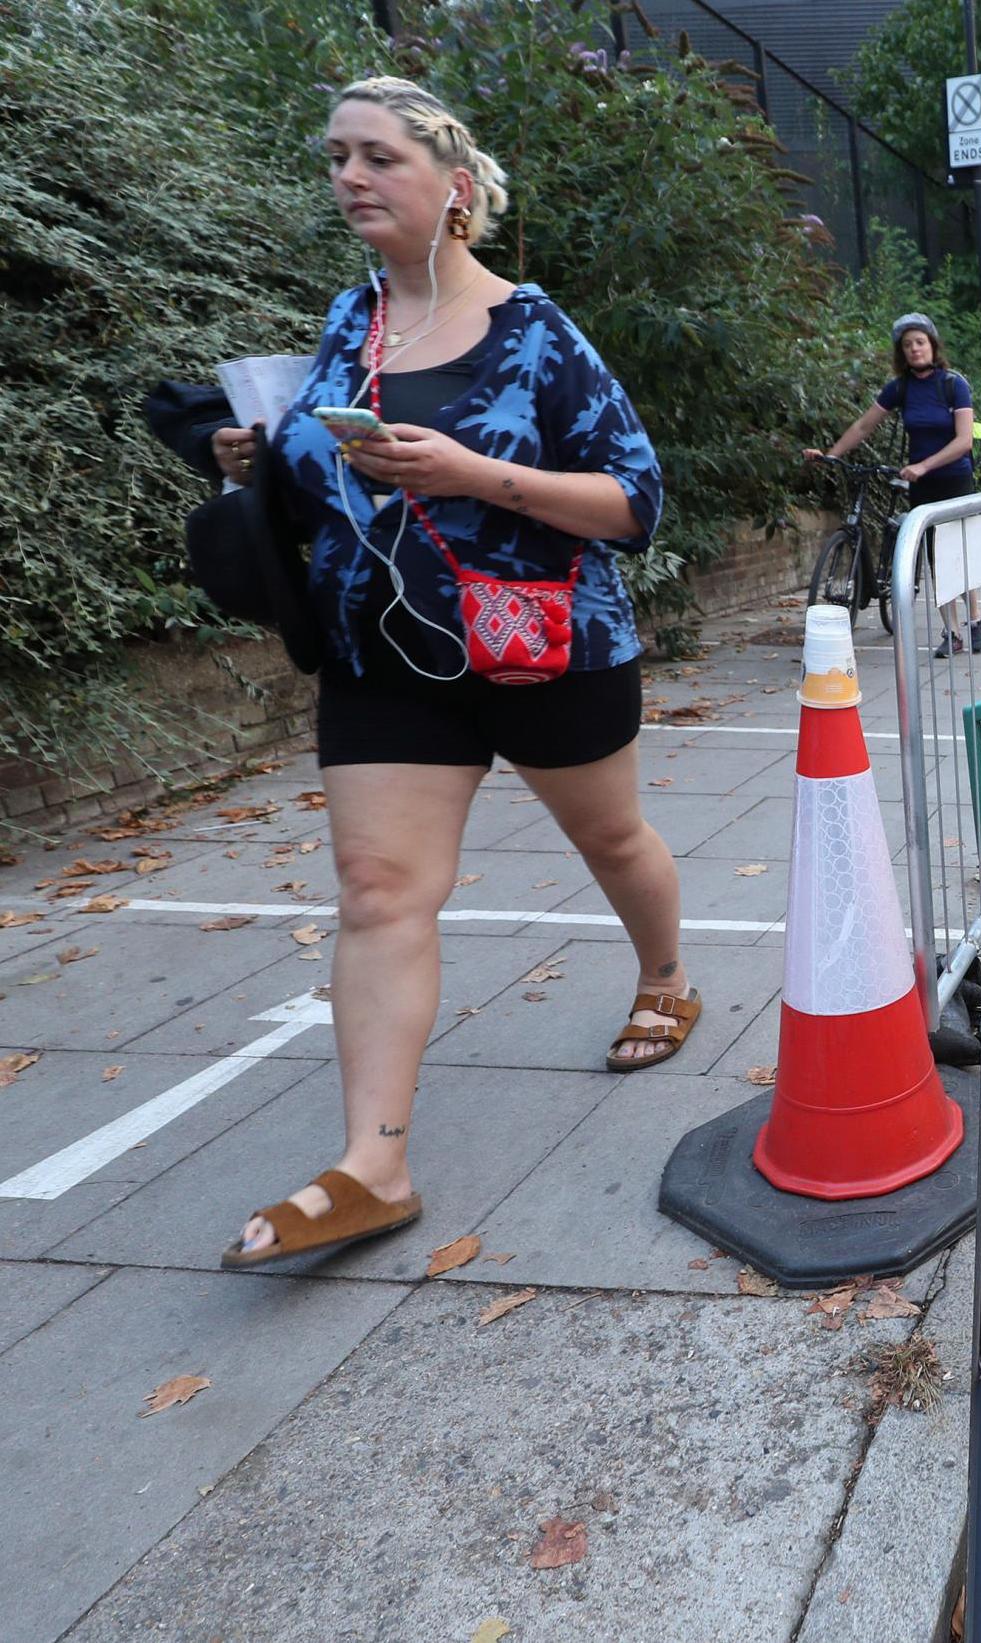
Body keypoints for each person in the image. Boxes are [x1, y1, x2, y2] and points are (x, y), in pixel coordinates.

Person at [220, 77, 681, 1268]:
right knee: (378, 887)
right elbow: (333, 481)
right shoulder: (348, 323)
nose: (350, 178)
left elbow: (634, 502)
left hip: (540, 643)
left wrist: (482, 475)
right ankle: (374, 1163)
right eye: (337, 157)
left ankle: (667, 976)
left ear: (454, 191)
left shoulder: (538, 332)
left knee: (612, 839)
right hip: (383, 648)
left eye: (379, 157)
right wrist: (263, 457)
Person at [810, 315, 981, 657]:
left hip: (954, 480)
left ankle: (975, 621)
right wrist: (830, 455)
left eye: (920, 342)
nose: (914, 349)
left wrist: (924, 465)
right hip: (921, 485)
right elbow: (863, 426)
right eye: (907, 345)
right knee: (935, 559)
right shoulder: (900, 388)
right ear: (901, 353)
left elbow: (964, 441)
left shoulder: (953, 384)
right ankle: (953, 633)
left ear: (932, 344)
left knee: (958, 557)